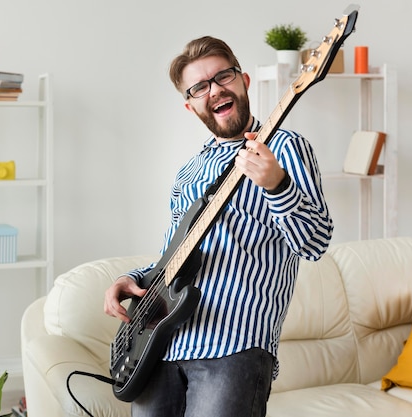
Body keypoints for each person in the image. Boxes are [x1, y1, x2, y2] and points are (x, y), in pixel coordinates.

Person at [104, 36, 334, 417]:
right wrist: (131, 279)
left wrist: (277, 185)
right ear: (190, 105)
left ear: (243, 80)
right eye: (200, 87)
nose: (215, 90)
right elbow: (171, 260)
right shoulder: (189, 172)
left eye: (223, 77)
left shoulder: (287, 149)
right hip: (162, 346)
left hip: (235, 347)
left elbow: (315, 244)